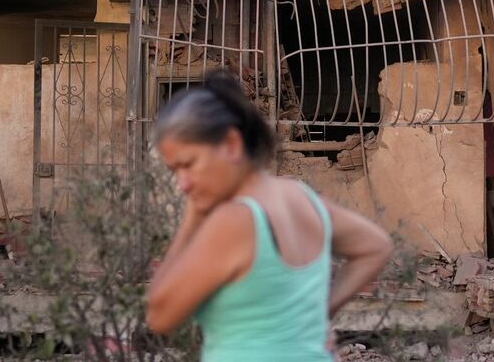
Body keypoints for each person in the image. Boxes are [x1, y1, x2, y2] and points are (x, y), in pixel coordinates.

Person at [144, 71, 394, 360]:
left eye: (189, 164)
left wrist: (193, 217)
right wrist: (319, 316)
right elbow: (376, 246)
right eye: (175, 171)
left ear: (231, 145)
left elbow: (160, 316)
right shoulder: (300, 197)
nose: (182, 183)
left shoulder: (234, 220)